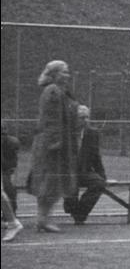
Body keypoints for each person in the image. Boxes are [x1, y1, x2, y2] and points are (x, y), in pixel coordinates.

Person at [28, 60, 79, 232]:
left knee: (53, 183)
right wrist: (55, 143)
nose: (68, 75)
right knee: (50, 182)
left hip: (55, 143)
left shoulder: (60, 91)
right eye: (64, 72)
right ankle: (43, 219)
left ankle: (43, 218)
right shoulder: (52, 91)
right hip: (52, 146)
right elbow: (51, 120)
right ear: (55, 74)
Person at [62, 105, 107, 225]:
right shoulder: (64, 133)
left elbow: (96, 156)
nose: (85, 120)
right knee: (70, 192)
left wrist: (102, 174)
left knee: (99, 183)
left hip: (84, 171)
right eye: (82, 117)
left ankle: (80, 213)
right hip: (66, 172)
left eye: (87, 117)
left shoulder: (93, 133)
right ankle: (72, 208)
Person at [1, 121, 20, 218]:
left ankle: (10, 216)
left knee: (8, 188)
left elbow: (12, 164)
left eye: (3, 134)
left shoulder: (12, 143)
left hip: (4, 171)